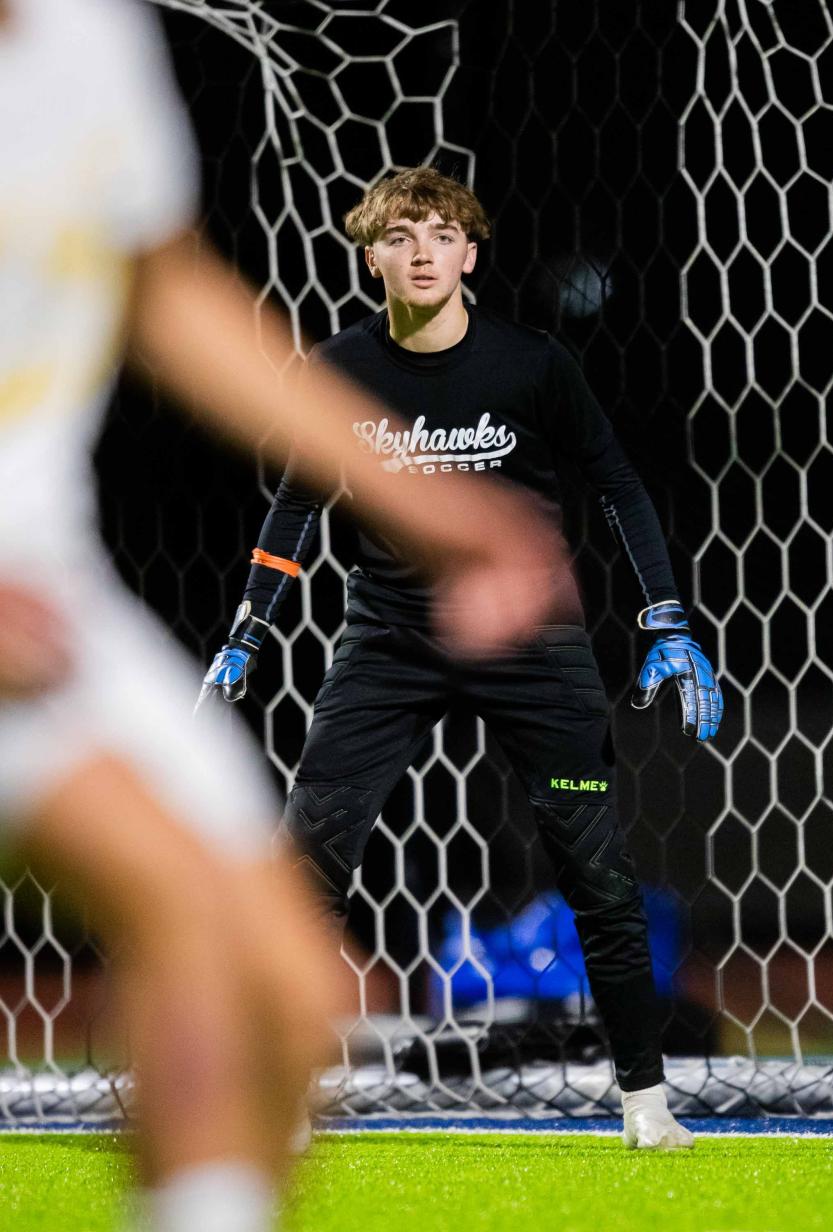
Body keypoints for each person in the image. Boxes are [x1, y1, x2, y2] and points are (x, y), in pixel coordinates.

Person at [0, 3, 567, 1228]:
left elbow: (166, 288)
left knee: (288, 991)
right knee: (184, 908)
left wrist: (429, 501)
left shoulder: (86, 37)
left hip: (49, 600)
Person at [204, 165, 724, 1150]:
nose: (423, 251)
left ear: (471, 254)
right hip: (390, 638)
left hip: (531, 644)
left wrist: (666, 615)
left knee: (596, 870)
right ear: (373, 258)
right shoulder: (341, 369)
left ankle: (645, 1100)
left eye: (442, 234)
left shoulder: (531, 364)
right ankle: (280, 1088)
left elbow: (615, 480)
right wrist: (248, 626)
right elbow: (296, 501)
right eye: (401, 236)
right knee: (307, 857)